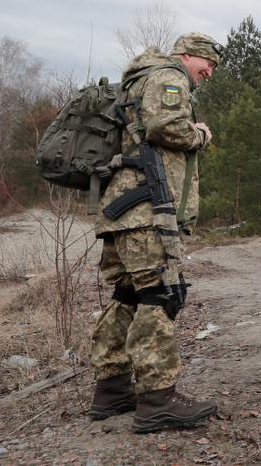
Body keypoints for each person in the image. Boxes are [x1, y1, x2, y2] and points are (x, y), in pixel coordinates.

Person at [88, 32, 221, 433]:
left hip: (124, 209)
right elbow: (167, 126)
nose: (209, 72)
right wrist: (200, 133)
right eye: (207, 63)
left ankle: (111, 391)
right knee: (159, 295)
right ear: (187, 55)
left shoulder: (138, 80)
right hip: (146, 209)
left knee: (127, 295)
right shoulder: (169, 75)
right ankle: (157, 399)